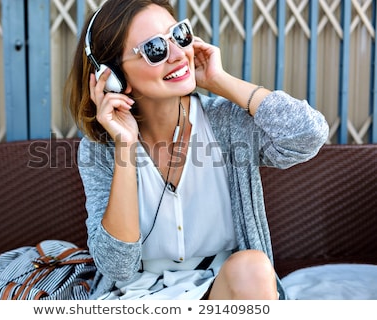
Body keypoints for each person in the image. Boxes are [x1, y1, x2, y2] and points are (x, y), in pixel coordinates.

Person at [63, 0, 328, 300]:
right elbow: (118, 268)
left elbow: (309, 134)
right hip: (137, 297)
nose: (177, 54)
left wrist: (220, 81)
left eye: (179, 35)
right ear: (113, 77)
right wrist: (126, 145)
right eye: (154, 49)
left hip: (226, 288)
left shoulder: (225, 123)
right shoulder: (100, 150)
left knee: (253, 267)